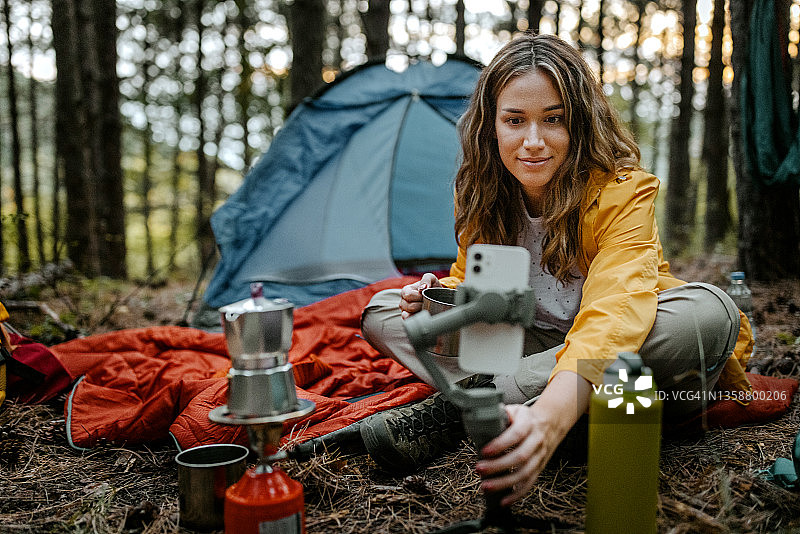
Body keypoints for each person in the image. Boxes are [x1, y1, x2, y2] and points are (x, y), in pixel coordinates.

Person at [359, 32, 754, 506]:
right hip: (527, 341)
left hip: (615, 342)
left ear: (580, 124)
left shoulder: (620, 193)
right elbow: (474, 283)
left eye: (553, 120)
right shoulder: (486, 194)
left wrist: (548, 418)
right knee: (383, 309)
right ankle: (535, 400)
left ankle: (465, 406)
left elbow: (617, 312)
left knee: (708, 311)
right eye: (514, 120)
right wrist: (438, 298)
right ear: (492, 126)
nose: (532, 142)